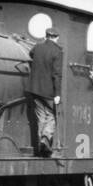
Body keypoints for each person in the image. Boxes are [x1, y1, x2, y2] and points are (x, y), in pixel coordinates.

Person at [26, 27, 63, 156]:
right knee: (52, 116)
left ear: (46, 36)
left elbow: (31, 54)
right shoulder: (57, 51)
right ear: (56, 38)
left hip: (34, 88)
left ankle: (40, 147)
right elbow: (57, 75)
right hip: (48, 91)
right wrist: (57, 93)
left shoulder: (37, 47)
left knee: (41, 117)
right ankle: (45, 139)